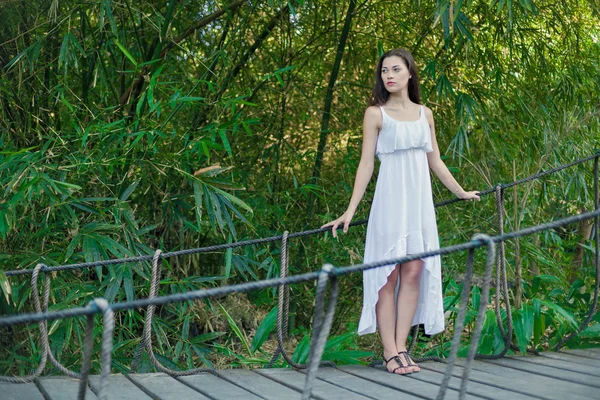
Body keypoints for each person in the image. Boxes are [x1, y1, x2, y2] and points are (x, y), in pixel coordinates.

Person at [322, 48, 480, 375]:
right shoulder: (375, 114)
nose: (388, 76)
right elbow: (366, 163)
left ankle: (402, 346)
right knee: (388, 274)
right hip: (390, 200)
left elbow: (434, 159)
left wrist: (461, 191)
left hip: (419, 202)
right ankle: (389, 351)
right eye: (383, 71)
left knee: (413, 272)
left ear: (410, 73)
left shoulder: (426, 114)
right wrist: (350, 210)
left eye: (395, 69)